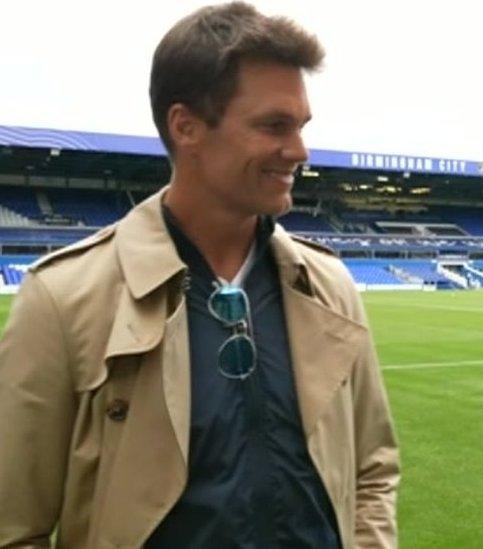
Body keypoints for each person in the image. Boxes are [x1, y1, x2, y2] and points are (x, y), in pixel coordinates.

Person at [0, 2, 399, 547]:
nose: (300, 151)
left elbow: (373, 468)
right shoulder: (63, 298)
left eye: (302, 126)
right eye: (274, 126)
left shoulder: (330, 286)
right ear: (186, 126)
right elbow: (13, 527)